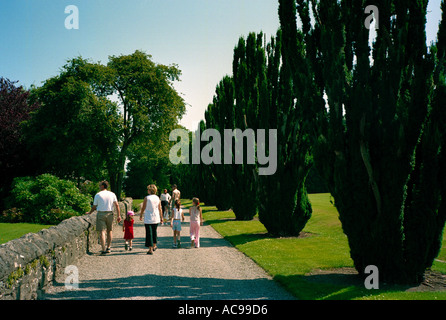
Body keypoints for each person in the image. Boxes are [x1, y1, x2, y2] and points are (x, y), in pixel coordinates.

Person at [86, 181, 121, 255]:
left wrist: (90, 212)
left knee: (102, 231)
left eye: (100, 185)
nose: (99, 186)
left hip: (101, 214)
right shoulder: (112, 194)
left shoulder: (98, 195)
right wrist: (119, 215)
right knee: (109, 231)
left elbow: (94, 206)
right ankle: (108, 247)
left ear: (102, 186)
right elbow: (117, 205)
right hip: (110, 213)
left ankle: (103, 249)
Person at [140, 184, 163, 255]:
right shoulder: (157, 198)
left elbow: (143, 207)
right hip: (156, 217)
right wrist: (161, 217)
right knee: (154, 232)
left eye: (148, 189)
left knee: (149, 233)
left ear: (150, 190)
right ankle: (154, 245)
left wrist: (141, 214)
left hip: (148, 217)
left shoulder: (147, 198)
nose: (147, 190)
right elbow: (160, 208)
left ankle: (150, 249)